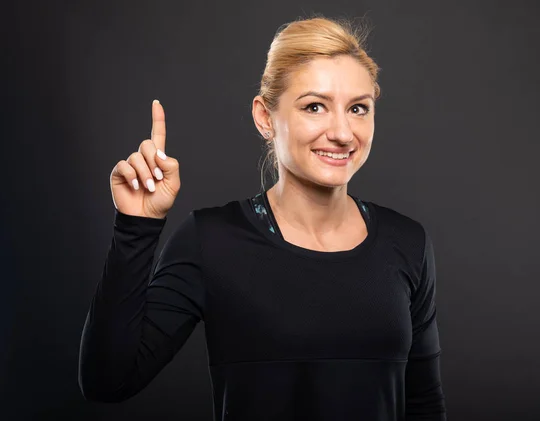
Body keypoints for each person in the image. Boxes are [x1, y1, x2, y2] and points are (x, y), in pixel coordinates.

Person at [78, 16, 447, 421]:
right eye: (314, 107)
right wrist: (136, 228)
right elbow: (107, 382)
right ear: (265, 117)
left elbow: (424, 404)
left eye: (358, 108)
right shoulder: (212, 240)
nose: (343, 132)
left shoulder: (407, 242)